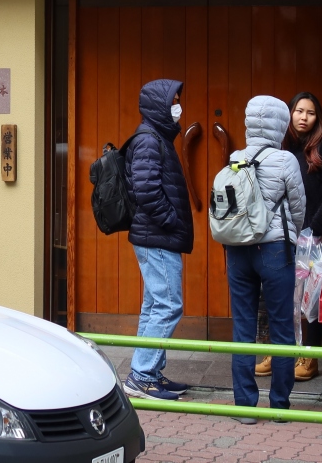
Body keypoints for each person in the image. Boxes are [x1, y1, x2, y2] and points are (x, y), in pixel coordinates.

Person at [223, 95, 306, 423]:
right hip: (275, 250)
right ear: (281, 124)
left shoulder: (235, 158)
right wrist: (291, 235)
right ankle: (279, 406)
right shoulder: (286, 160)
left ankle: (245, 406)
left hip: (237, 248)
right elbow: (298, 208)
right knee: (281, 326)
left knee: (243, 324)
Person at [122, 78, 195, 401]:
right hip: (157, 237)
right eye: (173, 101)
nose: (177, 107)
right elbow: (146, 189)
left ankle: (149, 373)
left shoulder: (156, 137)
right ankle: (141, 376)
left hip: (155, 236)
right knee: (168, 305)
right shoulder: (149, 140)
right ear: (159, 105)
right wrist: (170, 220)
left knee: (154, 305)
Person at [276, 91, 322, 381]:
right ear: (290, 114)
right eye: (299, 111)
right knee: (282, 296)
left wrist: (314, 230)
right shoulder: (281, 150)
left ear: (318, 119)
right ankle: (279, 353)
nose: (304, 117)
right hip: (284, 238)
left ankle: (310, 355)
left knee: (313, 298)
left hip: (314, 239)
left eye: (311, 112)